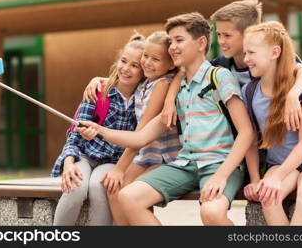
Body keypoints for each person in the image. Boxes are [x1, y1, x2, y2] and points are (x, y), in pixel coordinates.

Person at [78, 12, 255, 226]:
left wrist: (221, 176)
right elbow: (142, 137)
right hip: (185, 164)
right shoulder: (176, 88)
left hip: (219, 163)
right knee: (128, 197)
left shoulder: (219, 77)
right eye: (170, 41)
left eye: (179, 40)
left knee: (211, 213)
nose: (172, 47)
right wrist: (99, 129)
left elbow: (246, 132)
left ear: (201, 43)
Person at [161, 0, 302, 133]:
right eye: (219, 34)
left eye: (227, 35)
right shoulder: (220, 66)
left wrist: (293, 95)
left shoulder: (271, 60)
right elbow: (184, 72)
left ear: (250, 33)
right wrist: (169, 101)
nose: (221, 41)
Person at [242, 21, 302, 225]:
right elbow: (250, 139)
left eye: (251, 52)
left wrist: (277, 178)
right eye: (245, 53)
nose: (246, 59)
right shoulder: (249, 93)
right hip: (279, 164)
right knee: (268, 198)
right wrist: (256, 180)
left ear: (275, 52)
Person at [51, 32, 145, 225]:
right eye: (123, 61)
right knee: (75, 186)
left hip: (114, 161)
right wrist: (68, 163)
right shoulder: (98, 91)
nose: (126, 69)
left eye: (134, 66)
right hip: (83, 156)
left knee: (99, 186)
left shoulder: (144, 100)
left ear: (144, 71)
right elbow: (73, 136)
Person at [100, 31, 181, 225]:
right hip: (146, 156)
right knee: (114, 189)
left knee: (128, 190)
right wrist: (98, 80)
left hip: (164, 157)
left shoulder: (162, 84)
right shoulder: (145, 83)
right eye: (145, 56)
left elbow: (142, 132)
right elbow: (120, 79)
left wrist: (120, 169)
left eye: (155, 59)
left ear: (170, 65)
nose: (147, 62)